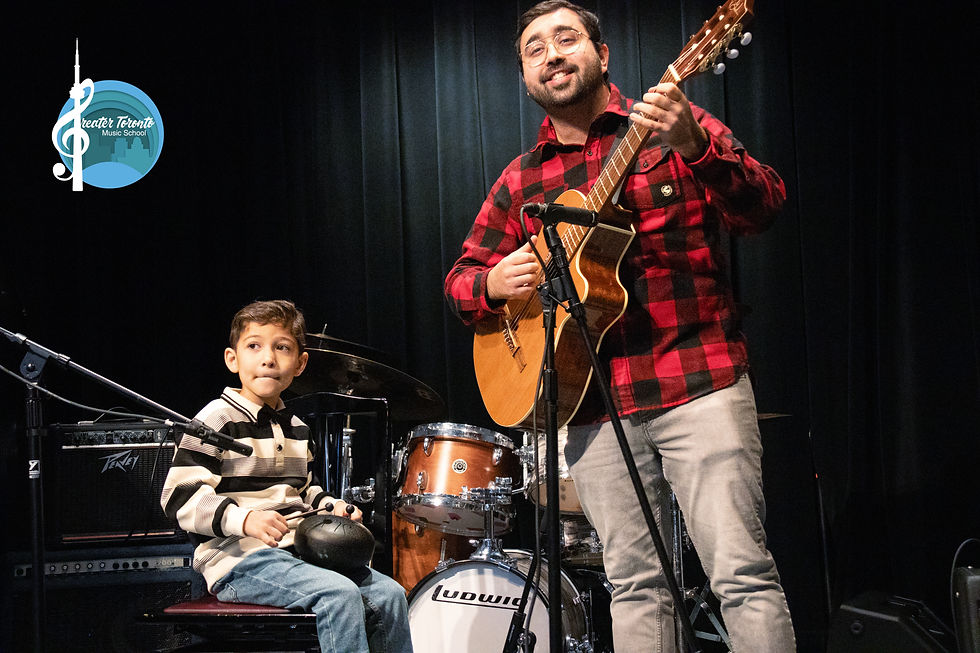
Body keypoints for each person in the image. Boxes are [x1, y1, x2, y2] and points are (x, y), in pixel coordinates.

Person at [444, 1, 796, 651]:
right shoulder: (522, 182)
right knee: (635, 583)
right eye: (535, 49)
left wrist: (696, 144)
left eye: (567, 38)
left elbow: (764, 204)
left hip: (698, 376)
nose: (552, 54)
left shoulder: (668, 127)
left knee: (741, 574)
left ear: (601, 56)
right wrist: (492, 284)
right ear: (525, 78)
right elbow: (461, 283)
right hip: (591, 401)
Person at [160, 299, 412, 653]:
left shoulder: (296, 426)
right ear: (232, 359)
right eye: (254, 346)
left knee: (390, 594)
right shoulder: (215, 419)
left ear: (300, 364)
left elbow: (305, 490)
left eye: (282, 348)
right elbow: (179, 497)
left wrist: (332, 506)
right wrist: (245, 519)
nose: (268, 358)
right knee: (337, 595)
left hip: (297, 552)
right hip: (237, 559)